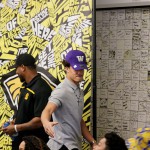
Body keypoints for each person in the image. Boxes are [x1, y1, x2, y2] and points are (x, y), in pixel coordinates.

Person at [41, 50, 96, 150]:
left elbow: (78, 119)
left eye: (82, 68)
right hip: (61, 146)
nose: (79, 72)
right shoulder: (61, 90)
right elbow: (47, 110)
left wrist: (93, 142)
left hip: (73, 146)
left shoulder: (79, 91)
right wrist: (46, 123)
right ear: (66, 68)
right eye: (76, 69)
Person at [1, 53, 52, 150]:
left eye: (17, 68)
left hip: (33, 145)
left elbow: (39, 121)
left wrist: (16, 128)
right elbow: (26, 113)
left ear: (23, 67)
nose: (16, 72)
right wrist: (14, 123)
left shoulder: (42, 89)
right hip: (20, 142)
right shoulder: (26, 86)